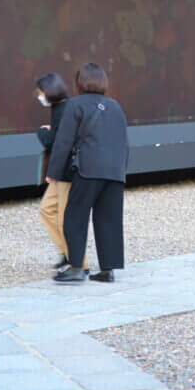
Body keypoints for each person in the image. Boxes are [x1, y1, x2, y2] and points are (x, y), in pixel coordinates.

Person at [48, 63, 129, 284]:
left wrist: (53, 172)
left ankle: (75, 268)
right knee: (109, 220)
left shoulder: (75, 105)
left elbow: (63, 142)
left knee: (75, 216)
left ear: (80, 83)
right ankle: (107, 270)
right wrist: (122, 169)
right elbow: (124, 142)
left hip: (88, 169)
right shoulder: (115, 107)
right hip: (114, 172)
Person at [33, 72, 73, 270]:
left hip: (64, 173)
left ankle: (73, 258)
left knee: (61, 215)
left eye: (40, 92)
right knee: (47, 210)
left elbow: (55, 143)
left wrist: (43, 132)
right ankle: (66, 252)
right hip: (60, 172)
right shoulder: (64, 107)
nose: (39, 96)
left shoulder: (62, 109)